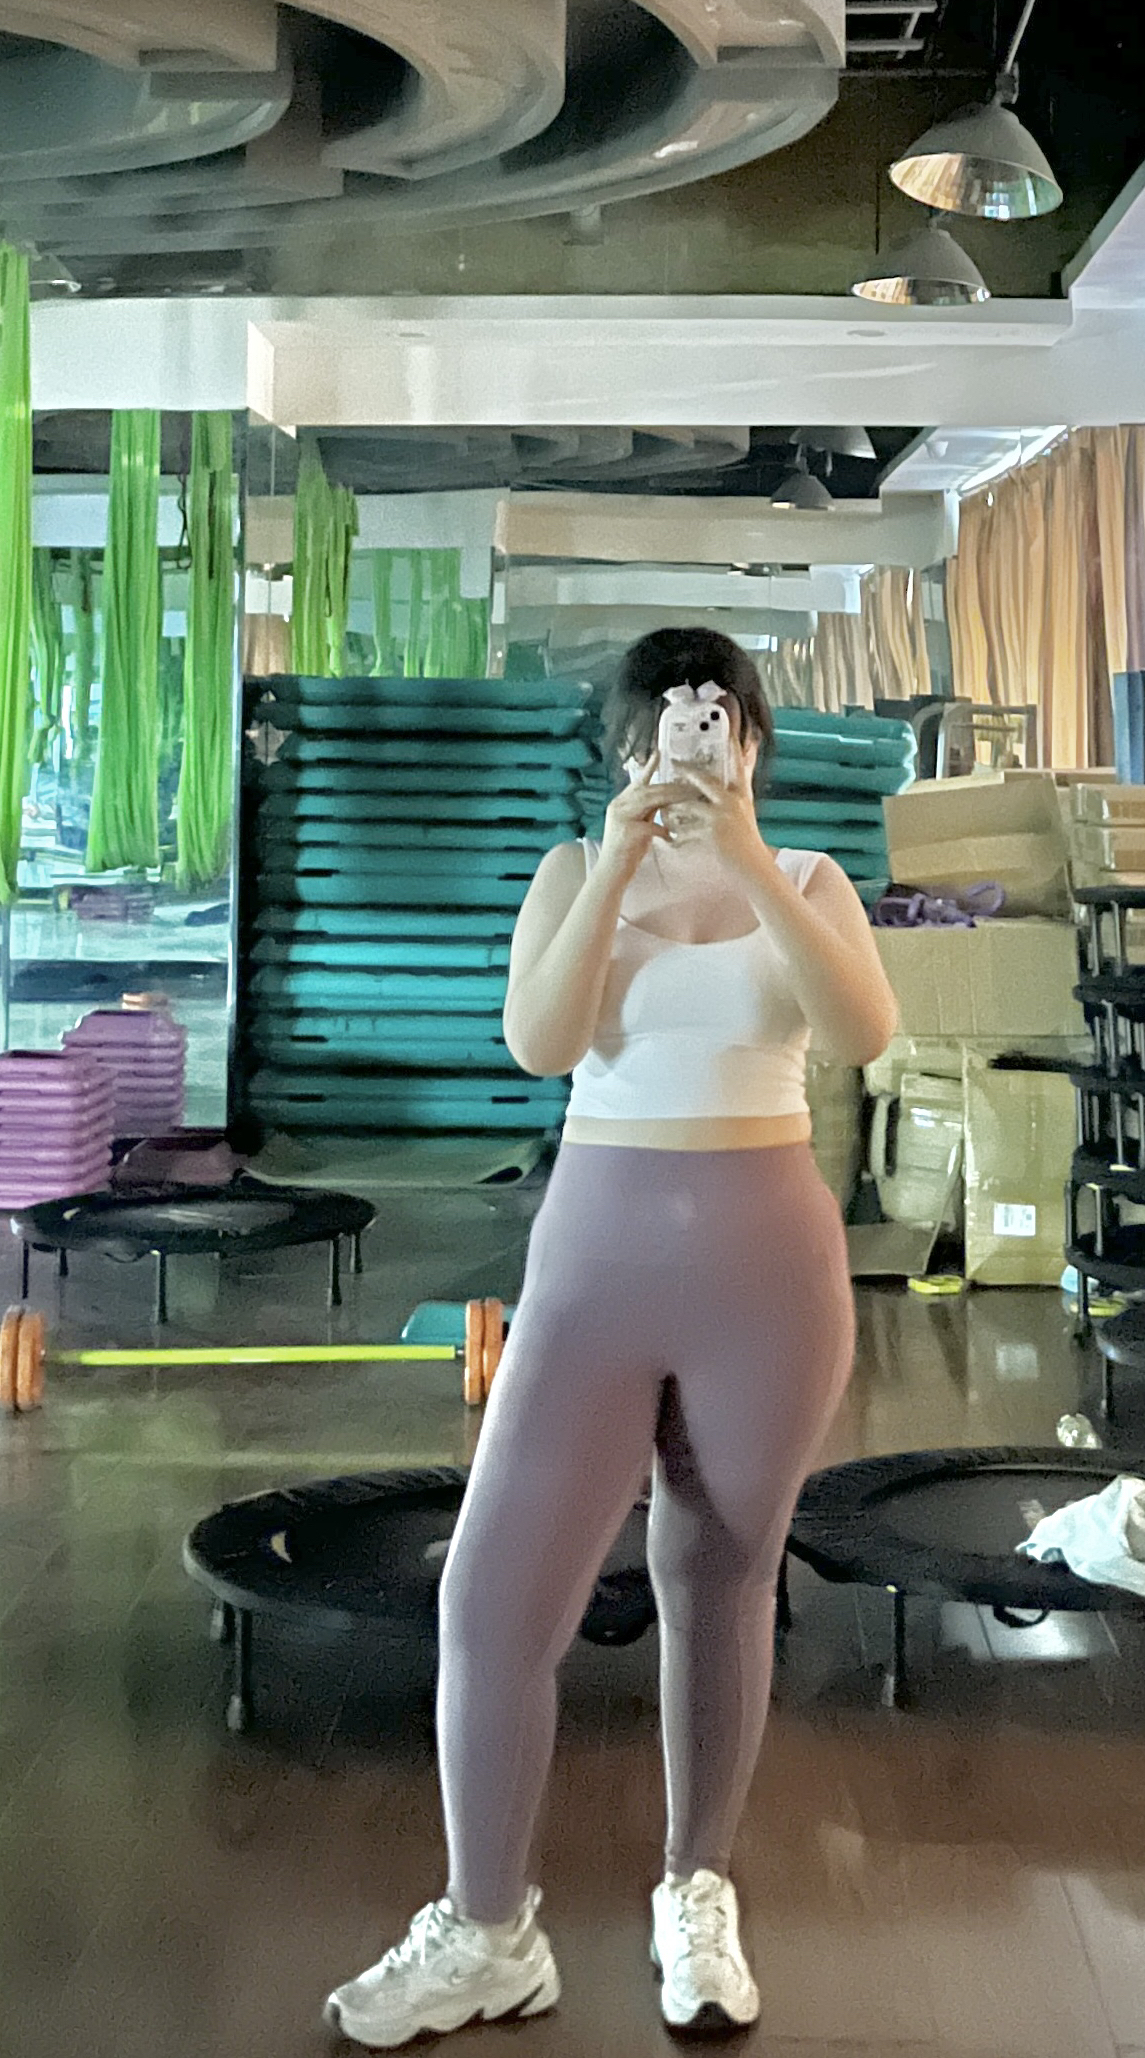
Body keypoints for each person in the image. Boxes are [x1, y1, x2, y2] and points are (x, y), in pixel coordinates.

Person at [327, 630, 898, 2049]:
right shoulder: (573, 873)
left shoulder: (806, 879)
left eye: (721, 716)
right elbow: (539, 1040)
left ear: (751, 738)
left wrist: (747, 857)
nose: (697, 741)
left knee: (719, 1576)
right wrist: (620, 858)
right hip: (594, 1271)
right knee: (490, 1600)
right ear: (627, 742)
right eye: (669, 719)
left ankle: (697, 1889)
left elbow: (862, 1031)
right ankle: (485, 1929)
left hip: (768, 1282)